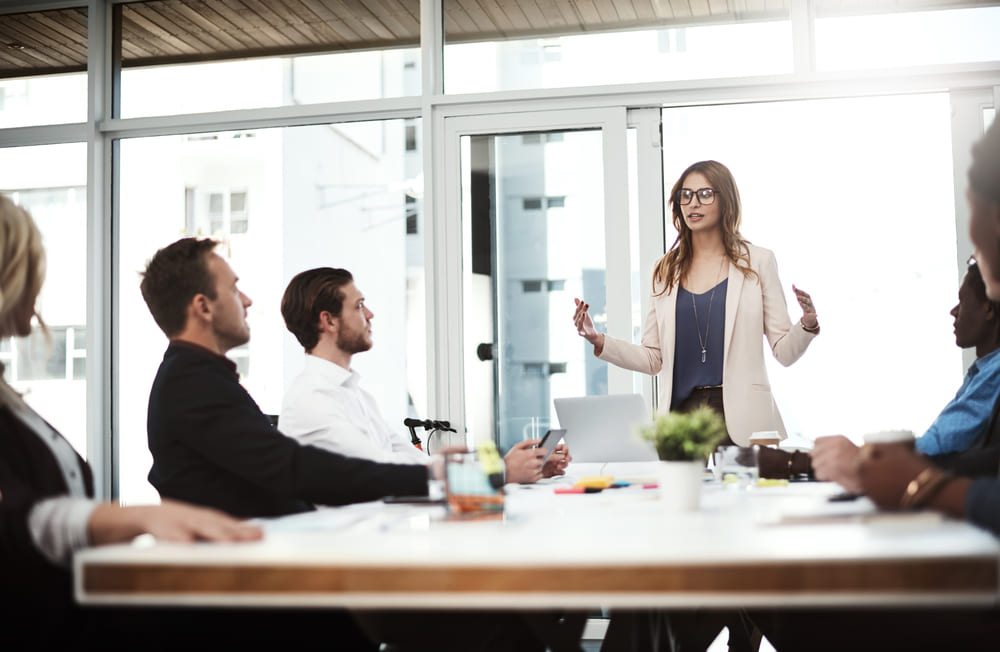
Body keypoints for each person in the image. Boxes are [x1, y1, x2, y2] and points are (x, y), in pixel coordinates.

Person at [752, 117, 1000, 652]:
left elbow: (948, 459)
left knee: (782, 591)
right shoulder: (985, 371)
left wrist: (918, 484)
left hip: (970, 590)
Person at [0, 193, 276, 646]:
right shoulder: (190, 383)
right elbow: (16, 517)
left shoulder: (11, 402)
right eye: (29, 267)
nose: (38, 286)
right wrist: (135, 519)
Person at [140, 238, 429, 518]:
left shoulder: (198, 377)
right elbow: (292, 468)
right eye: (234, 288)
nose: (247, 300)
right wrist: (431, 478)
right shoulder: (192, 384)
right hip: (251, 557)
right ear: (203, 307)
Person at [573, 160, 819, 447]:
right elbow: (653, 358)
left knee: (744, 492)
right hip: (681, 415)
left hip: (743, 416)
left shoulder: (759, 262)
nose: (693, 203)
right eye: (685, 195)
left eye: (704, 194)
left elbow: (784, 352)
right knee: (681, 493)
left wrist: (806, 324)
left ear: (725, 200)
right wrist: (597, 338)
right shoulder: (663, 270)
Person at [277, 266, 571, 484]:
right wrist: (501, 472)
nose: (370, 315)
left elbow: (415, 460)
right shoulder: (311, 399)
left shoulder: (355, 393)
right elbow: (382, 470)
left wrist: (516, 468)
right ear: (328, 321)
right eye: (358, 305)